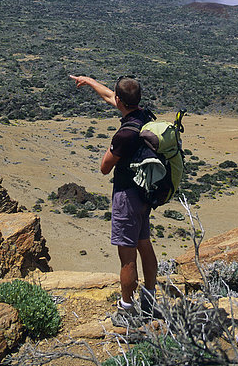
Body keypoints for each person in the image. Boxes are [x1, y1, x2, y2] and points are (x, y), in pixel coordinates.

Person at [70, 74, 160, 322]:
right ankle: (150, 301)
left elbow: (104, 167)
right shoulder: (143, 115)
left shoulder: (124, 134)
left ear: (121, 100)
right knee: (144, 244)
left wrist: (111, 148)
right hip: (144, 195)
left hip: (126, 197)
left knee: (127, 257)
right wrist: (89, 81)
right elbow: (111, 96)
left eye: (116, 97)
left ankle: (127, 310)